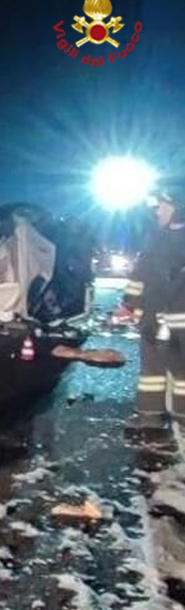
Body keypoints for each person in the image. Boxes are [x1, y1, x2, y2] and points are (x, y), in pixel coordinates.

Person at [119, 183, 185, 432]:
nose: (158, 212)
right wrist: (130, 304)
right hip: (152, 319)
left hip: (179, 319)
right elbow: (141, 274)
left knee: (182, 374)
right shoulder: (156, 237)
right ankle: (150, 416)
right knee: (152, 372)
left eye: (163, 207)